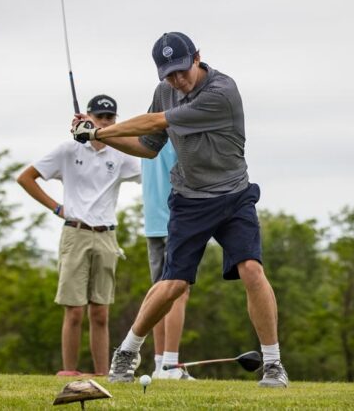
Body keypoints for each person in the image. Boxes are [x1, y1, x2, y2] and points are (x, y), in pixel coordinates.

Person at [72, 32, 289, 388]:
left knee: (251, 268)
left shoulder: (222, 92)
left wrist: (98, 131)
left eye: (182, 71)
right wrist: (96, 134)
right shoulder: (165, 90)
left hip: (234, 195)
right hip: (189, 199)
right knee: (172, 284)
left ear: (197, 58)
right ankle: (127, 351)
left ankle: (273, 363)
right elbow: (147, 146)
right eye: (169, 74)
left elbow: (157, 123)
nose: (178, 80)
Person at [18, 94, 140, 377]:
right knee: (74, 310)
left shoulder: (119, 155)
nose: (106, 122)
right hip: (76, 233)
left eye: (111, 118)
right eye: (100, 118)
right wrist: (57, 208)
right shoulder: (67, 150)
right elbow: (26, 177)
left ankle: (101, 374)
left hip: (107, 236)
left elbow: (148, 168)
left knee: (100, 312)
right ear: (88, 117)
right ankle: (69, 371)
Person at [141, 140, 194, 380]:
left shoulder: (147, 134)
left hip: (153, 223)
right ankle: (170, 365)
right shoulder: (180, 132)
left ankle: (160, 364)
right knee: (178, 291)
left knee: (160, 293)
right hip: (177, 221)